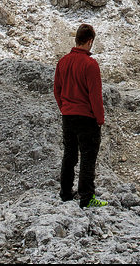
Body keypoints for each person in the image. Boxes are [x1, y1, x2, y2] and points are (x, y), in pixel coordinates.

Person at [53, 23, 107, 208]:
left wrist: (64, 108)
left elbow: (57, 90)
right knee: (87, 156)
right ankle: (87, 197)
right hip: (86, 118)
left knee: (69, 155)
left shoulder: (63, 62)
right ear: (90, 41)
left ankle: (65, 193)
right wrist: (99, 118)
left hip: (68, 116)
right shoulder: (90, 64)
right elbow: (95, 95)